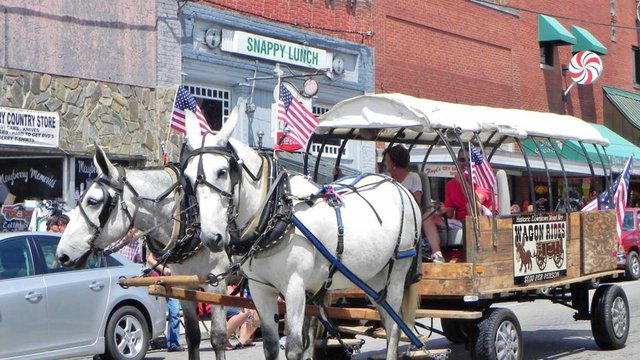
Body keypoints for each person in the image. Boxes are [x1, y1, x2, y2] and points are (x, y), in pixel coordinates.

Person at [422, 148, 491, 263]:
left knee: (471, 205)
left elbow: (475, 201)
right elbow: (450, 213)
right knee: (427, 216)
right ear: (457, 162)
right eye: (462, 160)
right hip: (460, 223)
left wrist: (463, 182)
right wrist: (442, 210)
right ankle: (437, 254)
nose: (465, 163)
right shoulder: (451, 185)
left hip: (483, 223)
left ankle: (476, 249)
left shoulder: (481, 181)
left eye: (469, 160)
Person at [147, 252, 184, 352]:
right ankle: (146, 341)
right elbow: (150, 259)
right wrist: (164, 269)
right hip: (157, 280)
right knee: (152, 312)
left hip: (172, 282)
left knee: (175, 311)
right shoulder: (159, 244)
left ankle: (173, 343)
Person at [225, 284, 259, 350]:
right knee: (246, 312)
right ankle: (223, 339)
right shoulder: (230, 286)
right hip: (220, 305)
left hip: (235, 305)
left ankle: (244, 339)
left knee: (255, 312)